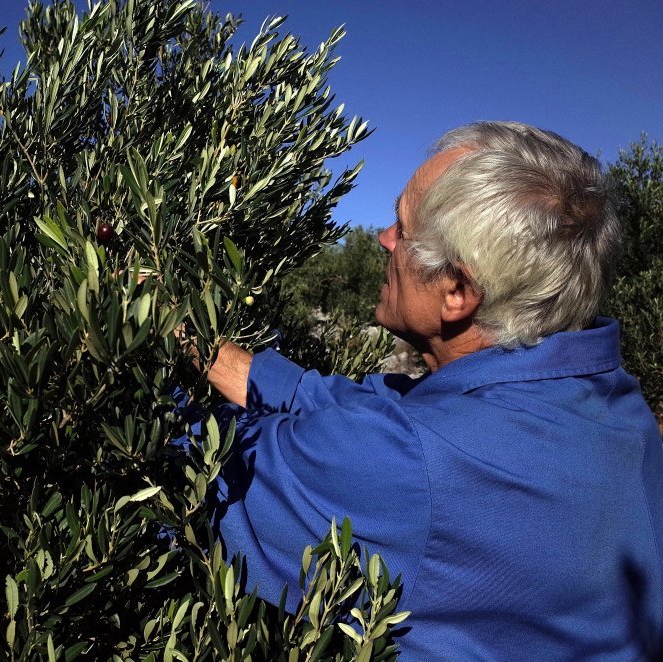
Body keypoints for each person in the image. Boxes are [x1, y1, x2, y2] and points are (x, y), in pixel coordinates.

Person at [200, 122, 663, 660]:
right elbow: (371, 406)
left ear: (457, 291)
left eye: (401, 227)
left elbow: (194, 454)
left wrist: (108, 325)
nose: (383, 240)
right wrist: (189, 338)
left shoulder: (424, 462)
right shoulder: (604, 398)